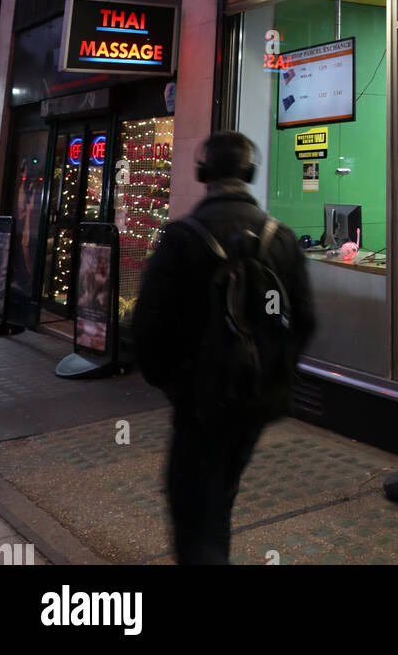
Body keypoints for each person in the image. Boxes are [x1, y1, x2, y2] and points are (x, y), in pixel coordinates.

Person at [133, 131, 315, 565]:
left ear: (203, 173)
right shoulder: (282, 238)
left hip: (199, 405)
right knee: (220, 496)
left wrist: (180, 386)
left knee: (195, 510)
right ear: (248, 173)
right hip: (255, 403)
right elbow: (303, 323)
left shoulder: (181, 237)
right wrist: (268, 373)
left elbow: (146, 331)